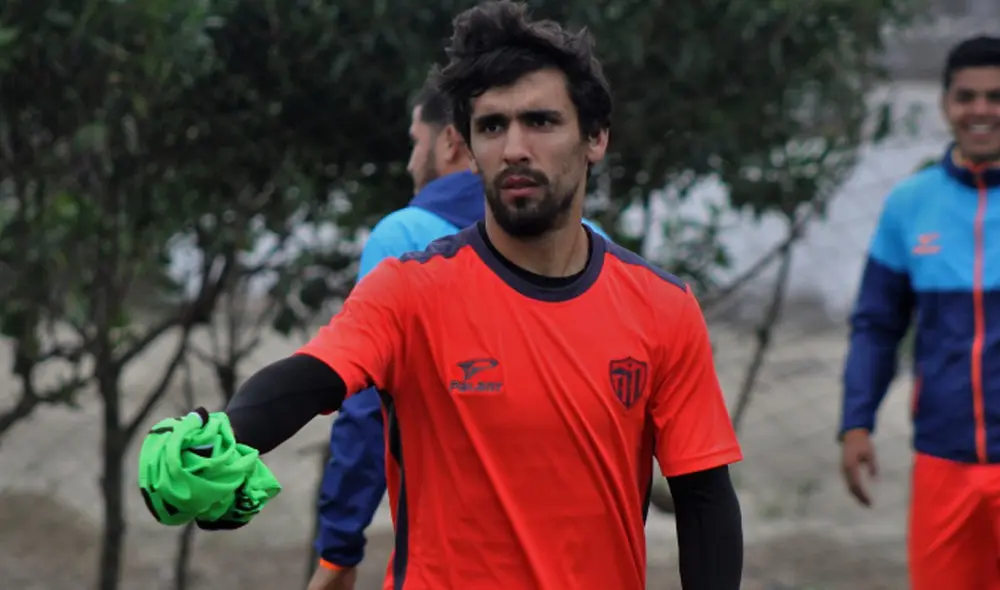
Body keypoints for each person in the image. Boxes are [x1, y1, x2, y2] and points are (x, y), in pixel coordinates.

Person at [140, 2, 744, 588]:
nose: (514, 149)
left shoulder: (662, 307)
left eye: (541, 121)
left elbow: (703, 497)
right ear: (468, 146)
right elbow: (313, 378)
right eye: (492, 126)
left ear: (596, 138)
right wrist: (224, 430)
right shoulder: (410, 291)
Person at [308, 74, 610, 590]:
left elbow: (365, 409)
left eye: (414, 142)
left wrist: (338, 547)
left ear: (451, 140)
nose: (409, 163)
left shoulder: (404, 236)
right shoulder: (597, 244)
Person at [839, 35, 1000, 590]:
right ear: (946, 104)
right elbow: (877, 325)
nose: (981, 110)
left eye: (996, 96)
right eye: (967, 96)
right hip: (942, 460)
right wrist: (856, 421)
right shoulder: (910, 205)